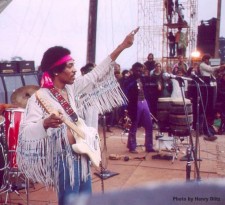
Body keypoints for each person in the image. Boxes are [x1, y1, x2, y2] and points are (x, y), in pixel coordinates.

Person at [16, 27, 139, 205]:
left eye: (74, 64)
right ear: (56, 71)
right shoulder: (39, 97)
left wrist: (122, 46)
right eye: (70, 65)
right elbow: (26, 131)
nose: (75, 69)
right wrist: (45, 123)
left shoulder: (71, 88)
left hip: (83, 154)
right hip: (64, 159)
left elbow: (97, 74)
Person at [124, 62, 155, 154]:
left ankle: (149, 146)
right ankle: (132, 146)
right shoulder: (129, 80)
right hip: (134, 103)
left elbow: (147, 90)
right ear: (133, 70)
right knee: (134, 125)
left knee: (149, 124)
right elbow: (126, 92)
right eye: (137, 70)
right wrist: (125, 108)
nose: (139, 72)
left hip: (144, 102)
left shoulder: (143, 79)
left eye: (140, 70)